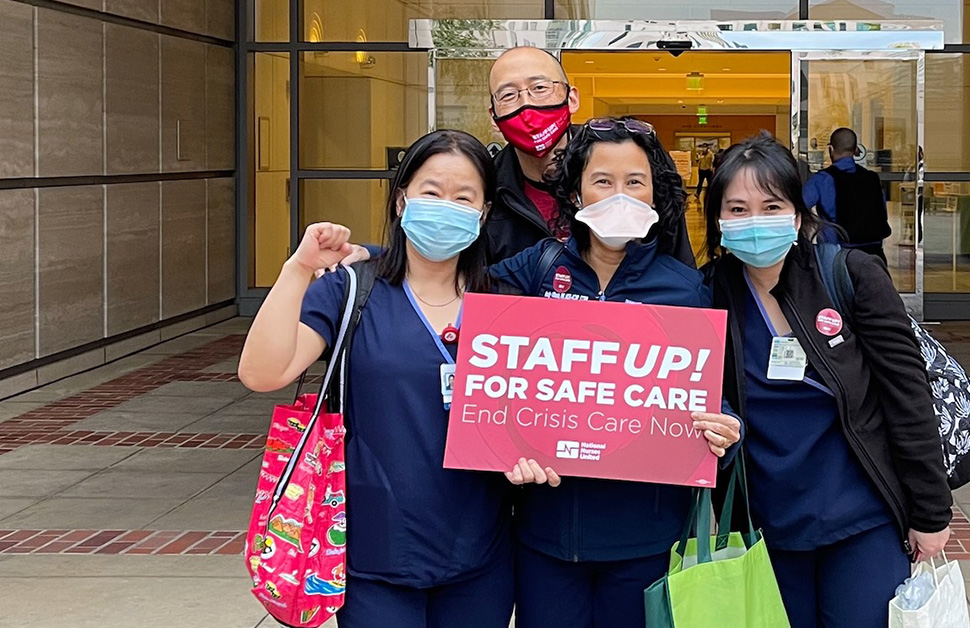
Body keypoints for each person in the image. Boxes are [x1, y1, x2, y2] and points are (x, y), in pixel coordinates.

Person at [238, 130, 515, 628]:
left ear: (484, 211)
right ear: (401, 197)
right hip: (374, 555)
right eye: (431, 191)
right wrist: (299, 269)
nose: (445, 206)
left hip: (481, 556)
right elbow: (263, 372)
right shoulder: (352, 288)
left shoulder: (505, 304)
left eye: (463, 197)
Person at [491, 116, 743, 628]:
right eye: (602, 181)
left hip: (646, 541)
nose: (619, 195)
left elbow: (708, 394)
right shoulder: (535, 269)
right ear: (576, 192)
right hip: (545, 535)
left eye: (634, 182)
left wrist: (724, 427)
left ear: (654, 195)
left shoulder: (685, 289)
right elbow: (449, 286)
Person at [703, 134, 952, 627]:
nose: (755, 222)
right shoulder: (706, 295)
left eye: (771, 205)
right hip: (764, 522)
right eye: (737, 208)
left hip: (861, 517)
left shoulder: (850, 276)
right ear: (717, 220)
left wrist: (930, 512)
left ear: (798, 214)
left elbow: (907, 395)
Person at [487, 47, 696, 266]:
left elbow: (678, 262)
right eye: (508, 95)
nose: (526, 104)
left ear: (572, 99)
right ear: (494, 116)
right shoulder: (485, 187)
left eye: (540, 88)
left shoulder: (634, 165)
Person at [802, 127, 892, 264]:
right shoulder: (872, 179)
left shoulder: (821, 180)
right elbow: (882, 213)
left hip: (836, 256)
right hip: (874, 254)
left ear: (830, 149)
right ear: (856, 150)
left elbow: (799, 206)